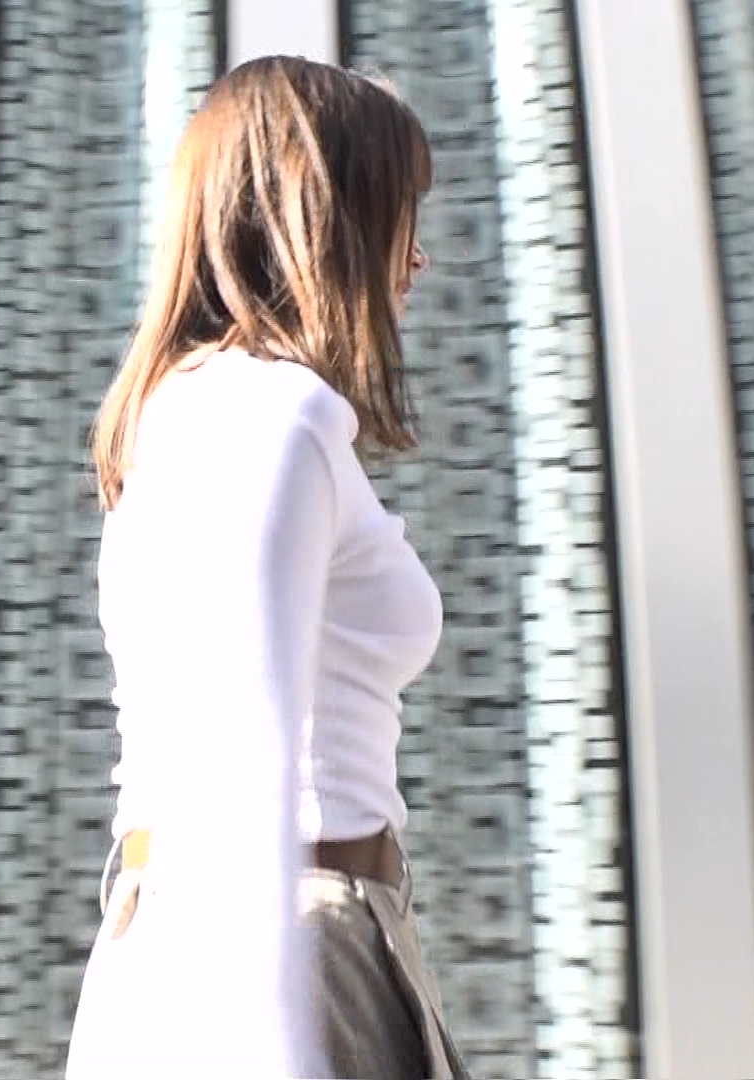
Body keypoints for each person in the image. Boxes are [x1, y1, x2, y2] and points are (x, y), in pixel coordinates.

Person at [66, 56, 468, 1080]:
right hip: (286, 933)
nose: (417, 258)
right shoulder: (271, 417)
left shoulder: (198, 413)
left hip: (245, 933)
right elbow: (248, 768)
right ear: (325, 219)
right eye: (399, 216)